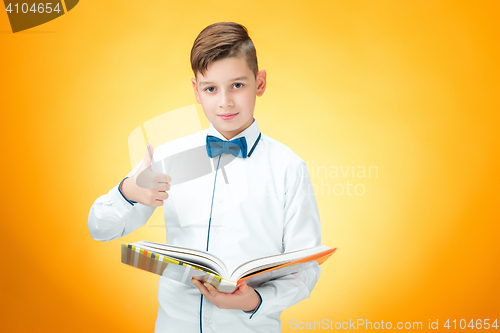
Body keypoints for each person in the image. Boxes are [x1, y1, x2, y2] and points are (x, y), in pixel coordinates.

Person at [88, 21, 322, 333]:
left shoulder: (288, 167)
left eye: (237, 85)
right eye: (211, 88)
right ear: (196, 91)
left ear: (260, 82)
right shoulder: (170, 158)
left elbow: (305, 268)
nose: (224, 101)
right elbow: (99, 228)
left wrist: (255, 301)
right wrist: (128, 192)